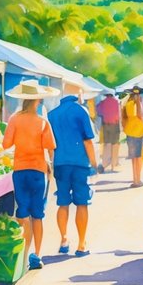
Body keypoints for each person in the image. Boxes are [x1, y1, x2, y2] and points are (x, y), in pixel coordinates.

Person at [3, 81, 59, 270]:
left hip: (20, 170)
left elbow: (6, 144)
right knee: (38, 214)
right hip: (38, 171)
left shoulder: (14, 119)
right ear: (38, 100)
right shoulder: (42, 122)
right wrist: (51, 167)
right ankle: (37, 254)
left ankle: (24, 255)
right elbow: (50, 147)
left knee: (22, 213)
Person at [47, 88, 98, 256]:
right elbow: (88, 141)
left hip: (60, 163)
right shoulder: (81, 111)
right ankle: (81, 244)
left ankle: (63, 240)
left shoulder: (52, 114)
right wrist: (94, 164)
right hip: (80, 164)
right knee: (82, 203)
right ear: (77, 96)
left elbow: (50, 145)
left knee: (63, 202)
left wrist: (52, 164)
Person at [123, 86, 143, 187]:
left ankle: (135, 179)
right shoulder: (137, 104)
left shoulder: (127, 104)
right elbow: (140, 115)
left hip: (129, 131)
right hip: (138, 132)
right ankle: (137, 181)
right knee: (138, 157)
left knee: (134, 157)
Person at [97, 90, 122, 172]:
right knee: (115, 145)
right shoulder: (116, 102)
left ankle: (105, 164)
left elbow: (98, 112)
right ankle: (114, 165)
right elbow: (119, 115)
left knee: (107, 144)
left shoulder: (102, 103)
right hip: (115, 125)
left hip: (106, 125)